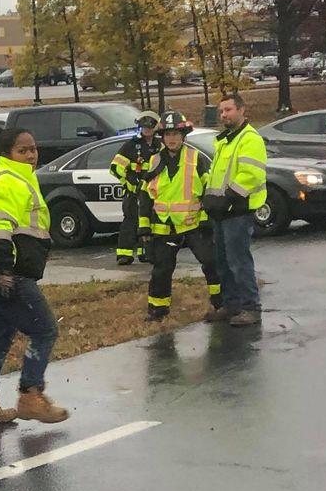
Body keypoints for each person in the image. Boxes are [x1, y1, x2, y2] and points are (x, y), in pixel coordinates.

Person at [0, 122, 69, 428]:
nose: (31, 155)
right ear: (7, 153)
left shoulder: (19, 177)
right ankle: (30, 396)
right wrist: (4, 271)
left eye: (33, 149)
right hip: (5, 272)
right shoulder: (7, 181)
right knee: (45, 329)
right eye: (22, 150)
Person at [144, 113, 222, 324]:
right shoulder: (155, 161)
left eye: (176, 134)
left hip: (193, 224)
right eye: (168, 134)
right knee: (161, 269)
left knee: (211, 262)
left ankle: (221, 303)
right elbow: (146, 195)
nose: (171, 139)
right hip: (164, 225)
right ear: (162, 137)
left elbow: (208, 190)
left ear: (183, 136)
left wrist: (206, 219)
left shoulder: (196, 158)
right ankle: (157, 310)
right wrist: (143, 226)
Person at [204, 94, 269, 329]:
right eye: (221, 111)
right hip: (222, 211)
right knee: (223, 262)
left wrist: (228, 198)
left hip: (238, 210)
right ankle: (231, 305)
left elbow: (251, 175)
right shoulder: (225, 141)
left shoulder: (249, 139)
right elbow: (217, 176)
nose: (224, 115)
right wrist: (209, 198)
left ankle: (251, 308)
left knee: (239, 262)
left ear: (241, 110)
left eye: (228, 110)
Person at [108, 111, 161, 265]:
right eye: (144, 127)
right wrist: (130, 182)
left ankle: (146, 252)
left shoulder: (160, 145)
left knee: (150, 222)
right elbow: (115, 168)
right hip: (134, 192)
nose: (147, 130)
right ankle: (124, 254)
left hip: (153, 192)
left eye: (150, 127)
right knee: (130, 222)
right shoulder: (131, 146)